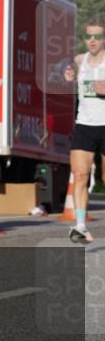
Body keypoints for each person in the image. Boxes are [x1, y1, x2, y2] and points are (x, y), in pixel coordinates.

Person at [63, 19, 105, 244]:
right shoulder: (80, 60)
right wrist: (68, 77)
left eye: (97, 36)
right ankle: (80, 226)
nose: (93, 40)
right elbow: (67, 73)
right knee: (80, 175)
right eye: (89, 36)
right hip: (84, 125)